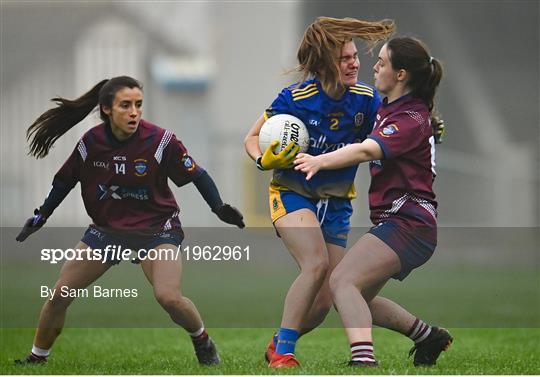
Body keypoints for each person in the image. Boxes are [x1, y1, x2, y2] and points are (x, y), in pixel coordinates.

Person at [14, 76, 245, 366]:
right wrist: (41, 215)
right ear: (107, 109)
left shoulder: (161, 141)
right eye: (126, 105)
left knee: (168, 297)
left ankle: (202, 340)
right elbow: (64, 182)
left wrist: (218, 207)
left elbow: (198, 174)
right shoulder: (91, 143)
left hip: (157, 230)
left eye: (138, 104)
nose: (134, 112)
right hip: (107, 232)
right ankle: (37, 359)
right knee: (60, 294)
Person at [244, 17, 395, 368]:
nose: (355, 63)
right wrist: (261, 158)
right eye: (346, 58)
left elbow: (393, 128)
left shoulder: (366, 99)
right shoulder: (295, 99)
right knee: (315, 264)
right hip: (292, 193)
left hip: (338, 202)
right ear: (325, 62)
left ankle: (278, 342)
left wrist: (426, 124)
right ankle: (283, 355)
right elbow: (252, 138)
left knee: (326, 300)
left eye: (355, 56)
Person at [294, 37, 452, 367]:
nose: (375, 67)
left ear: (401, 74)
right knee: (355, 296)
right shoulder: (391, 109)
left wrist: (319, 161)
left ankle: (363, 361)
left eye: (382, 62)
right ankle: (427, 336)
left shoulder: (409, 116)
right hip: (401, 222)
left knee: (342, 281)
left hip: (409, 222)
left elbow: (368, 150)